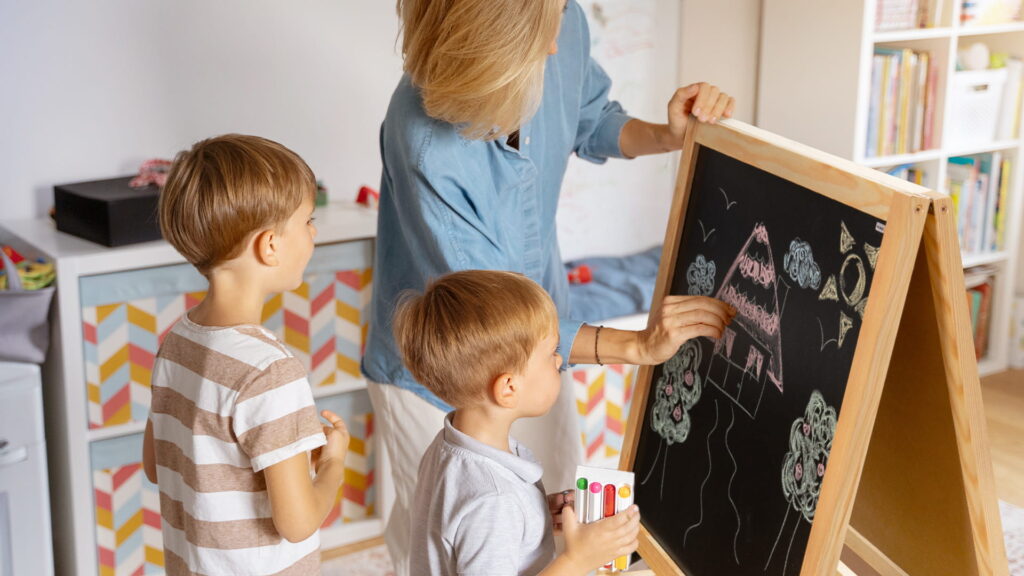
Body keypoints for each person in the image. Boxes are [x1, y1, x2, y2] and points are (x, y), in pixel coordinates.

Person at [362, 1, 737, 571]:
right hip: (455, 360)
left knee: (525, 509)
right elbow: (499, 327)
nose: (558, 46)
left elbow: (592, 116)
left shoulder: (557, 16)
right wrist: (634, 346)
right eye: (538, 39)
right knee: (443, 530)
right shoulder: (427, 149)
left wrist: (668, 133)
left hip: (537, 341)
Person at [142, 134, 351, 576]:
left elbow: (157, 464)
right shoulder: (271, 371)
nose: (314, 232)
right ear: (269, 245)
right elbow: (297, 523)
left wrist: (284, 449)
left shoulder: (176, 341)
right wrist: (331, 466)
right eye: (308, 220)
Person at [396, 270, 647, 575]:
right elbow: (487, 514)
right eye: (551, 352)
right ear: (508, 389)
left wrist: (534, 515)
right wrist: (578, 560)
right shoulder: (495, 501)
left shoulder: (448, 447)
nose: (559, 361)